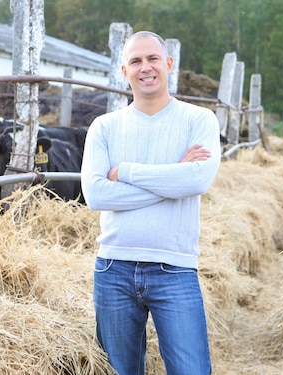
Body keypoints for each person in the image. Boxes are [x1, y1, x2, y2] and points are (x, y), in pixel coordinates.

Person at [80, 31, 221, 374]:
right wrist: (173, 179)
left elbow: (198, 179)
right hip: (114, 268)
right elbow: (96, 195)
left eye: (153, 59)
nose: (146, 68)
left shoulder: (198, 120)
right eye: (136, 61)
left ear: (169, 63)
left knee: (192, 370)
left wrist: (125, 171)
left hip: (174, 268)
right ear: (124, 70)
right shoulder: (104, 126)